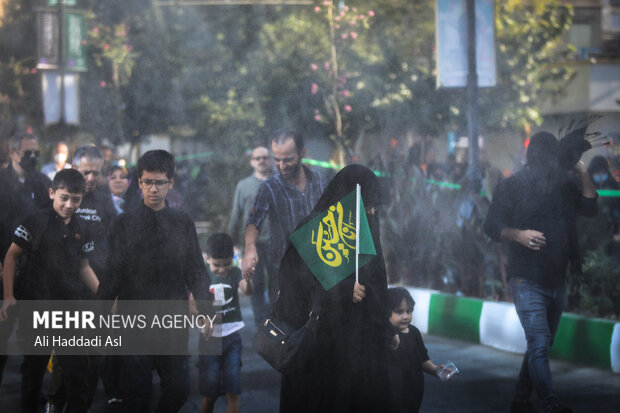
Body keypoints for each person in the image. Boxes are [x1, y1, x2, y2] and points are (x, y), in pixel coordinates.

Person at [484, 131, 597, 413]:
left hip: (557, 279)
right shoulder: (513, 185)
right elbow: (491, 226)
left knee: (540, 345)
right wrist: (518, 234)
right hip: (526, 278)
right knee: (538, 342)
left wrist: (581, 168)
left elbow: (591, 207)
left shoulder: (565, 183)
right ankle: (551, 405)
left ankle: (520, 400)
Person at [273, 164, 395, 413]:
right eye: (367, 206)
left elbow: (377, 286)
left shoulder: (367, 230)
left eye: (375, 208)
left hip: (360, 350)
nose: (372, 213)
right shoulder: (314, 231)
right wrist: (341, 289)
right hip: (320, 348)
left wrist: (385, 328)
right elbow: (292, 284)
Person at [97, 149, 212, 412]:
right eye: (147, 182)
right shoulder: (123, 224)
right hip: (134, 319)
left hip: (172, 319)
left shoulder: (182, 222)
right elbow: (112, 273)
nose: (153, 189)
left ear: (170, 183)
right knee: (137, 394)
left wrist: (205, 308)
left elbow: (195, 267)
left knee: (179, 389)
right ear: (139, 182)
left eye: (160, 182)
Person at [0, 169, 99, 413]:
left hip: (69, 308)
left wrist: (105, 295)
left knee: (77, 372)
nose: (69, 204)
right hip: (36, 306)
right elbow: (11, 257)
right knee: (34, 370)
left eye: (75, 200)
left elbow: (84, 267)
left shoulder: (82, 227)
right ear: (52, 193)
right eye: (64, 197)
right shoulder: (35, 220)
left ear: (82, 199)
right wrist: (9, 296)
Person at [241, 128, 326, 291]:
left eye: (287, 160)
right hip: (283, 268)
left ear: (302, 153)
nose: (281, 166)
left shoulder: (319, 180)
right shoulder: (269, 187)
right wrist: (250, 248)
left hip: (318, 265)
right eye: (277, 160)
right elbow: (253, 222)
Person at [0, 131, 51, 387]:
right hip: (2, 274)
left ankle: (29, 396)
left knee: (34, 343)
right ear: (12, 152)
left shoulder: (42, 183)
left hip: (34, 276)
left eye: (36, 153)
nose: (32, 157)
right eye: (27, 153)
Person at [198, 233, 252, 413]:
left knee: (233, 391)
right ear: (207, 259)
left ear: (233, 259)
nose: (222, 270)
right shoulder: (202, 276)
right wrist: (203, 318)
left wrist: (249, 278)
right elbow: (192, 303)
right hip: (209, 342)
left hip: (232, 338)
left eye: (227, 264)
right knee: (209, 394)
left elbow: (247, 289)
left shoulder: (235, 273)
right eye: (217, 265)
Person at [387, 287, 454, 413]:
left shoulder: (414, 333)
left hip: (413, 393)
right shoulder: (385, 336)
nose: (406, 316)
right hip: (390, 394)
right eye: (399, 312)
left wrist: (437, 370)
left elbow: (422, 359)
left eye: (409, 311)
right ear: (387, 312)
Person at [228, 146, 273, 326]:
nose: (261, 161)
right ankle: (261, 328)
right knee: (257, 285)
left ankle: (275, 326)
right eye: (257, 158)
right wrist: (232, 243)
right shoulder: (244, 186)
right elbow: (236, 215)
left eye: (264, 157)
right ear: (251, 162)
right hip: (252, 245)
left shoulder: (278, 183)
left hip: (276, 244)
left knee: (277, 286)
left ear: (270, 160)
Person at [72, 146, 118, 280]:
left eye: (95, 173)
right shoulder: (62, 199)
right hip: (68, 276)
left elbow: (115, 236)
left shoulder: (104, 200)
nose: (91, 178)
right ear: (74, 168)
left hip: (99, 274)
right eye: (85, 172)